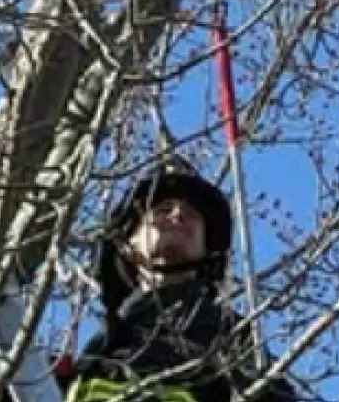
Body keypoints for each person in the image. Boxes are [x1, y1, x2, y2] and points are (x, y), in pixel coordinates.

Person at [57, 159, 299, 402]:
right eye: (162, 209)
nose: (178, 215)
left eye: (192, 215)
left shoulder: (227, 334)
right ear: (127, 244)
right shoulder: (101, 348)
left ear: (207, 250)